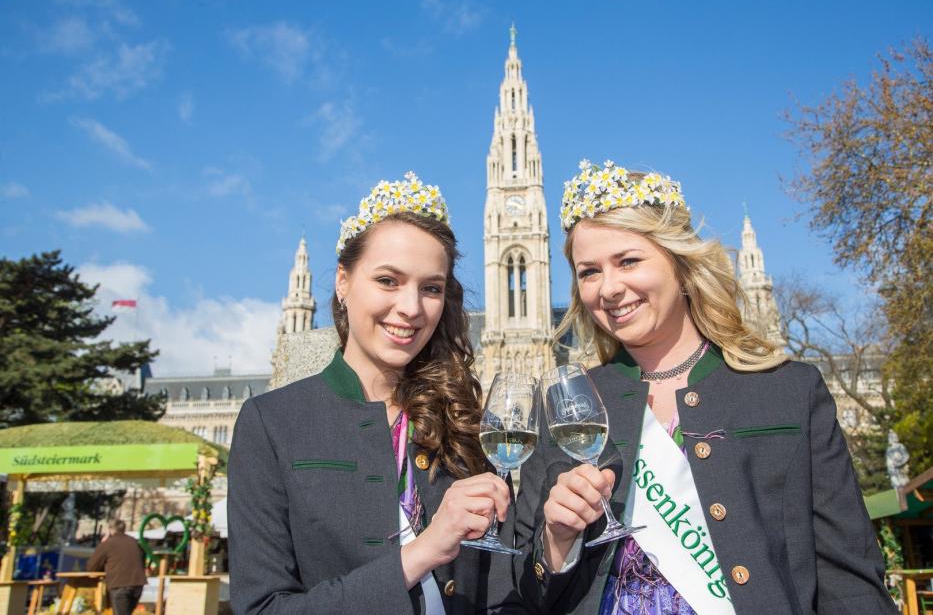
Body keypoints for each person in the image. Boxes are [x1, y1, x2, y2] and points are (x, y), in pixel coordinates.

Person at [514, 160, 896, 614]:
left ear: (680, 262)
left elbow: (849, 582)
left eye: (629, 261)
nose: (609, 288)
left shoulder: (787, 391)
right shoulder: (567, 404)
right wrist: (558, 541)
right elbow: (525, 590)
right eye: (589, 271)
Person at [228, 172, 524, 614]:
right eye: (388, 280)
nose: (410, 307)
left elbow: (505, 592)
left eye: (431, 288)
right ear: (343, 282)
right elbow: (263, 608)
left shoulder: (464, 422)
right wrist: (421, 552)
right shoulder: (273, 423)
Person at [87, 518, 147, 615]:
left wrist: (102, 544)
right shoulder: (134, 542)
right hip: (138, 585)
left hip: (119, 584)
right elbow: (142, 561)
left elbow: (91, 567)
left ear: (110, 530)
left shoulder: (108, 544)